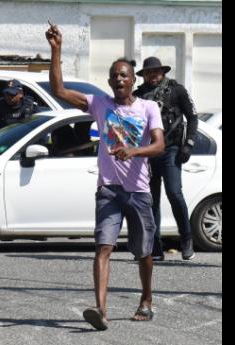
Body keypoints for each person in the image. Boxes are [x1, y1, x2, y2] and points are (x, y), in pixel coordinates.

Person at [45, 23, 165, 330]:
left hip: (138, 192)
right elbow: (59, 90)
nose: (119, 79)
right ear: (109, 81)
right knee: (103, 247)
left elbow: (159, 145)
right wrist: (56, 50)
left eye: (124, 75)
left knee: (143, 252)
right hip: (108, 190)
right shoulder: (100, 104)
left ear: (132, 79)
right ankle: (101, 309)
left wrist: (133, 151)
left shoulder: (148, 107)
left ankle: (146, 299)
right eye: (114, 76)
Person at [134, 57, 199, 261]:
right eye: (148, 73)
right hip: (148, 152)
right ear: (143, 75)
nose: (153, 76)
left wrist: (188, 144)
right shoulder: (138, 96)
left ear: (162, 72)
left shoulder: (176, 90)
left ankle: (187, 239)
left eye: (157, 72)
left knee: (174, 193)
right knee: (150, 200)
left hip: (171, 149)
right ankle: (155, 246)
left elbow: (193, 117)